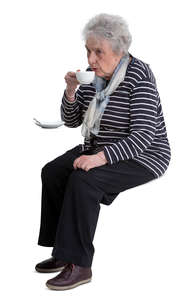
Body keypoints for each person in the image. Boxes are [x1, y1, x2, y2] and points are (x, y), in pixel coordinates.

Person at [35, 13, 171, 291]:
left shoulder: (139, 77)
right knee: (53, 171)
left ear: (120, 52)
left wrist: (99, 159)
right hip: (100, 145)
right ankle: (62, 251)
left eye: (99, 52)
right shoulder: (93, 76)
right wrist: (71, 91)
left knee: (84, 181)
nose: (91, 59)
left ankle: (80, 264)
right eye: (88, 50)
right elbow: (73, 121)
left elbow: (144, 135)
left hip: (143, 155)